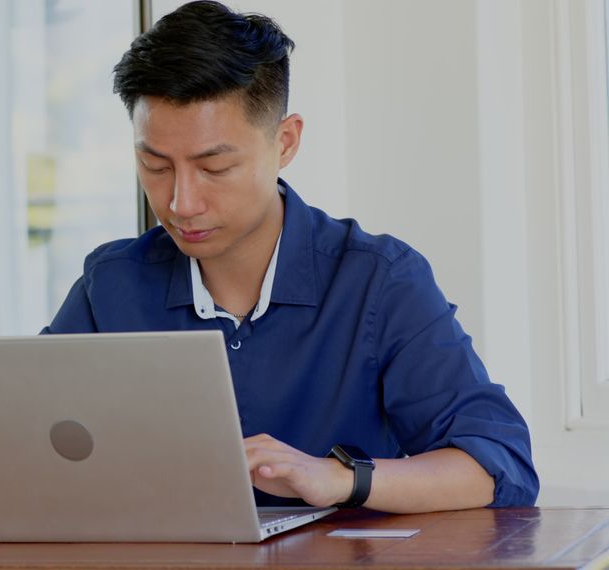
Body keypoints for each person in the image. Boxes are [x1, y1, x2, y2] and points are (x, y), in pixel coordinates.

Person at [42, 1, 538, 512]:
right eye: (155, 165)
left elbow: (499, 466)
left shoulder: (379, 281)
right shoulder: (109, 285)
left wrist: (340, 478)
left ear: (285, 142)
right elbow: (23, 446)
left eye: (213, 167)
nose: (180, 203)